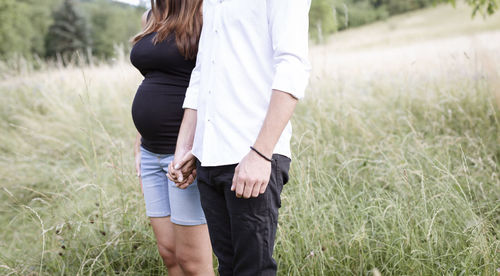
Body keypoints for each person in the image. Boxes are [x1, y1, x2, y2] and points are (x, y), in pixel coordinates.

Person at [168, 1, 312, 275]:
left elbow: (293, 66)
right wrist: (188, 145)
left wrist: (260, 154)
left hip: (251, 155)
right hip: (209, 155)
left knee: (252, 270)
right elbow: (201, 74)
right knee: (229, 268)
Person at [129, 1, 213, 275]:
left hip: (183, 157)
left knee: (193, 262)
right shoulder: (151, 16)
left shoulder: (205, 13)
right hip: (150, 153)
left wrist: (196, 150)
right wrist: (139, 142)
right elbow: (153, 79)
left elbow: (213, 83)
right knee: (169, 254)